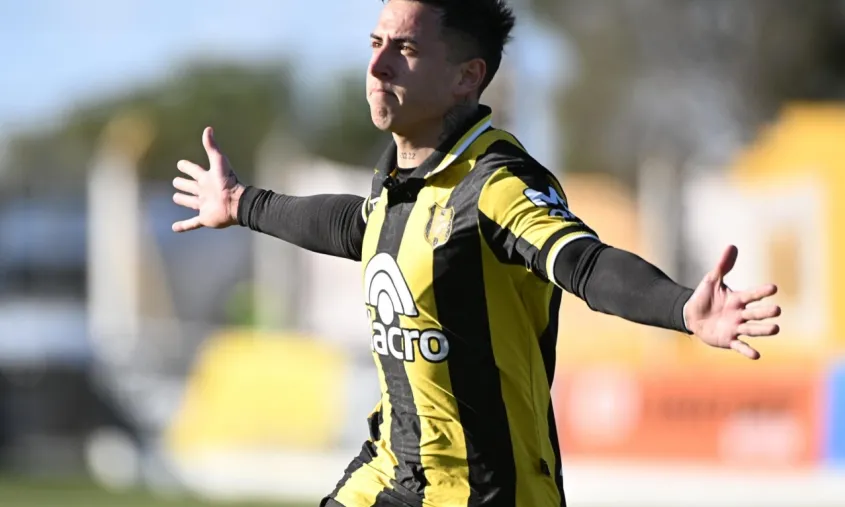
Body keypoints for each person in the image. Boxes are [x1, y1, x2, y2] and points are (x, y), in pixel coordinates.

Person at [171, 1, 782, 505]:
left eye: (405, 49)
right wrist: (241, 202)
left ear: (467, 76)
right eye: (375, 43)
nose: (378, 65)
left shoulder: (497, 184)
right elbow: (352, 225)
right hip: (390, 474)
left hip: (486, 492)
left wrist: (681, 308)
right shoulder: (399, 183)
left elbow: (584, 262)